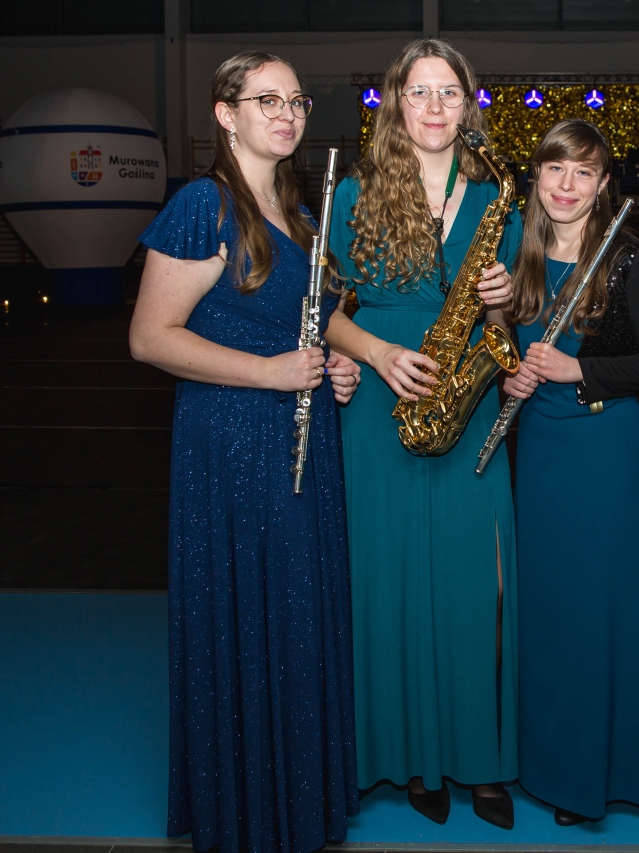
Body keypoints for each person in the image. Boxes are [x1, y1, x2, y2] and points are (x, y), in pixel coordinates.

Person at [129, 51, 361, 853]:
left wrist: (333, 363)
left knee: (297, 613)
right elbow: (150, 337)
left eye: (296, 100)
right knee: (254, 610)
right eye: (267, 100)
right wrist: (270, 372)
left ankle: (297, 798)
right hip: (233, 441)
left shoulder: (295, 212)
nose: (287, 114)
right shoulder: (204, 204)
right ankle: (248, 808)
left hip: (302, 437)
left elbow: (301, 327)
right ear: (226, 114)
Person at [322, 38, 520, 830]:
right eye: (419, 91)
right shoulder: (353, 193)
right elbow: (324, 311)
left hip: (464, 395)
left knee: (477, 584)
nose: (435, 107)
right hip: (378, 400)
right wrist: (373, 354)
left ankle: (481, 756)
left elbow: (505, 320)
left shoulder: (496, 195)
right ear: (394, 102)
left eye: (449, 92)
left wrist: (500, 298)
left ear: (468, 103)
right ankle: (413, 756)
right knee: (391, 581)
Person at [500, 119, 639, 826]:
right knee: (549, 613)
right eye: (556, 169)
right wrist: (508, 374)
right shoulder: (517, 254)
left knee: (601, 613)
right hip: (540, 451)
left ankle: (600, 777)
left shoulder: (627, 258)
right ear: (537, 176)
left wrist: (580, 371)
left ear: (604, 184)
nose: (568, 185)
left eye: (584, 172)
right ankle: (549, 765)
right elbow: (500, 341)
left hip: (605, 451)